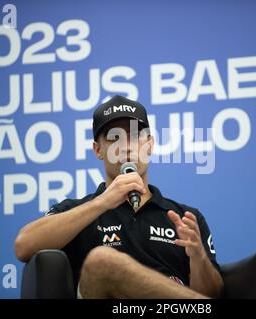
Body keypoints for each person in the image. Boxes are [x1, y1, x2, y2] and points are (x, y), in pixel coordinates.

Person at [14, 95, 224, 298]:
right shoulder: (76, 211)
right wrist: (102, 202)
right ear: (98, 150)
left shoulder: (185, 218)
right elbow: (23, 246)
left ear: (149, 145)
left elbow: (213, 293)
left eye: (134, 136)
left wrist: (198, 258)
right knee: (101, 261)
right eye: (114, 138)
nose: (125, 146)